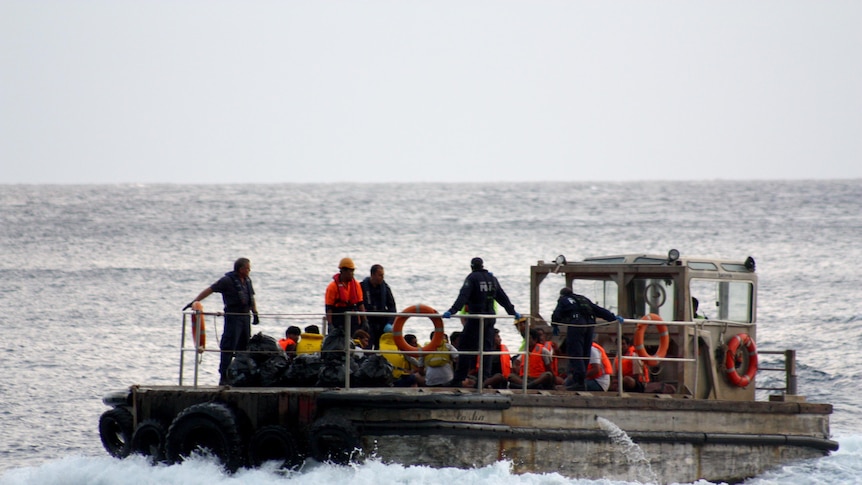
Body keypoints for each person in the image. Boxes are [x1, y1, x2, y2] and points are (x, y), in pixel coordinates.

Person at [442, 257, 521, 387]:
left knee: (465, 347)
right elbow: (502, 297)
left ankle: (458, 379)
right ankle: (483, 378)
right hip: (490, 319)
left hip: (476, 318)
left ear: (472, 266)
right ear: (483, 265)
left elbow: (463, 296)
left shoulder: (472, 278)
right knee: (487, 349)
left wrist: (452, 311)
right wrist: (512, 312)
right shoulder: (492, 279)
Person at [184, 257, 259, 384]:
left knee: (244, 346)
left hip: (245, 317)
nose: (249, 270)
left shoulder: (247, 281)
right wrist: (195, 301)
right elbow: (210, 290)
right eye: (247, 268)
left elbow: (251, 297)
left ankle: (239, 375)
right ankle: (223, 376)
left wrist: (255, 312)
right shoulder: (227, 281)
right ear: (241, 269)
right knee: (229, 346)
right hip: (233, 317)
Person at [551, 287, 623, 391]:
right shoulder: (583, 299)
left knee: (576, 353)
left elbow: (557, 314)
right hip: (590, 325)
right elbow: (598, 310)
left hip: (577, 324)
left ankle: (579, 382)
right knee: (585, 353)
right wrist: (613, 317)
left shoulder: (563, 300)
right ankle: (581, 381)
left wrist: (554, 325)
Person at [325, 257, 368, 334]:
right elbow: (329, 308)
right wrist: (330, 325)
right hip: (338, 319)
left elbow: (360, 304)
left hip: (353, 318)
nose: (352, 273)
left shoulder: (356, 285)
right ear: (343, 271)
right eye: (350, 271)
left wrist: (364, 321)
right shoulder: (332, 287)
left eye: (353, 271)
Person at [360, 264, 397, 350]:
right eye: (380, 275)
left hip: (381, 324)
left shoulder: (385, 288)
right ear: (372, 275)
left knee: (380, 349)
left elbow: (392, 307)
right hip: (367, 323)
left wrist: (390, 323)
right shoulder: (361, 287)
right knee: (367, 348)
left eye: (383, 275)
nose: (382, 277)